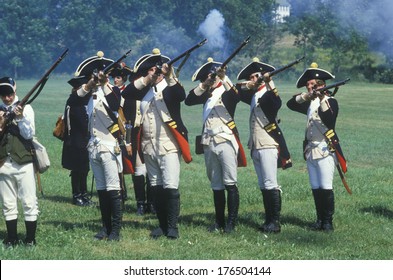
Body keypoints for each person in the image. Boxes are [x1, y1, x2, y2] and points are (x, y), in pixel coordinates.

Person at [122, 48, 192, 239]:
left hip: (168, 145)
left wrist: (169, 75)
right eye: (149, 71)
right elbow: (127, 93)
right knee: (156, 187)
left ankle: (172, 226)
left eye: (154, 71)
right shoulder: (144, 90)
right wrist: (147, 79)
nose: (152, 74)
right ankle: (161, 225)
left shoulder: (169, 88)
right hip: (148, 145)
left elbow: (180, 95)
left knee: (170, 186)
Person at [185, 58, 246, 234]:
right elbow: (189, 100)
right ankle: (219, 221)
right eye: (209, 77)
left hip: (225, 141)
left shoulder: (225, 91)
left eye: (213, 77)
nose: (213, 80)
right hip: (208, 142)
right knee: (216, 184)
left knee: (230, 182)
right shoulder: (206, 93)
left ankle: (231, 223)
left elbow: (236, 96)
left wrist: (223, 77)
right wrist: (205, 84)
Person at [69, 52, 123, 241]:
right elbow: (73, 101)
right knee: (101, 189)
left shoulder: (111, 91)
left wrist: (104, 84)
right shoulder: (88, 92)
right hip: (94, 147)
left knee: (113, 189)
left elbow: (116, 104)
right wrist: (91, 84)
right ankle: (105, 227)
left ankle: (116, 230)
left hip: (109, 146)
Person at [286, 62, 346, 232]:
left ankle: (328, 222)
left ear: (323, 85)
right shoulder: (309, 102)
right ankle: (319, 220)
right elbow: (291, 104)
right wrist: (307, 96)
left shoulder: (330, 101)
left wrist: (320, 97)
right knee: (315, 186)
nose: (311, 87)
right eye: (309, 85)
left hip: (325, 149)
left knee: (326, 186)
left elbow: (329, 120)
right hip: (310, 150)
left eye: (314, 84)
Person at [236, 57, 292, 233]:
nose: (253, 78)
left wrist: (270, 82)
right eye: (251, 76)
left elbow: (276, 103)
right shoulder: (252, 94)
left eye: (256, 76)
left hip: (268, 143)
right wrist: (250, 85)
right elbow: (236, 90)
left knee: (270, 183)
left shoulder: (267, 94)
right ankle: (268, 220)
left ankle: (275, 222)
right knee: (262, 184)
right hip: (255, 144)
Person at [110, 64, 155, 215]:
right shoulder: (128, 94)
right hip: (134, 134)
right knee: (138, 170)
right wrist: (127, 141)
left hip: (149, 133)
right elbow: (124, 122)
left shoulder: (151, 93)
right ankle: (140, 203)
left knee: (151, 170)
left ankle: (152, 203)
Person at [0, 77, 39, 246]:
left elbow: (29, 134)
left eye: (9, 93)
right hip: (3, 162)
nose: (7, 98)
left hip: (23, 162)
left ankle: (30, 239)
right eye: (3, 94)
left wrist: (21, 117)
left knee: (29, 201)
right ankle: (12, 238)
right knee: (8, 203)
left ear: (15, 91)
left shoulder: (26, 108)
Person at [62, 80, 92, 207]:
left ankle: (84, 194)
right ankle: (77, 195)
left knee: (85, 169)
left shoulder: (85, 102)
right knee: (77, 169)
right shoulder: (73, 102)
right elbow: (82, 122)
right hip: (75, 140)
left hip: (84, 140)